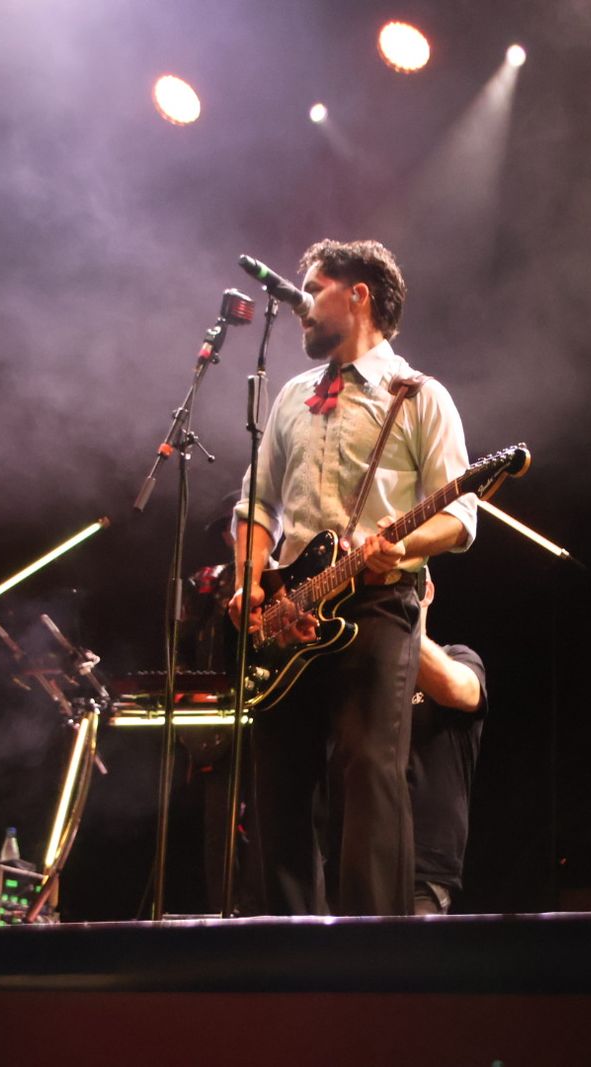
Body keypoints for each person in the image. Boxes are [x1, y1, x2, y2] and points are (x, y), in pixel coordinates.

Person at [229, 238, 475, 916]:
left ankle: (372, 954)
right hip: (293, 609)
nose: (302, 305)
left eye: (313, 287)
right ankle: (281, 957)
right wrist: (253, 582)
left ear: (357, 292)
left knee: (368, 770)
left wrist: (400, 546)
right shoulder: (291, 396)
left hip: (376, 602)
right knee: (278, 784)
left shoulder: (422, 396)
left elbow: (460, 514)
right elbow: (257, 503)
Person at [407, 580, 488, 915]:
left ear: (426, 590)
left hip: (421, 869)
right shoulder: (364, 672)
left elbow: (456, 689)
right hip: (354, 860)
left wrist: (397, 621)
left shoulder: (461, 658)